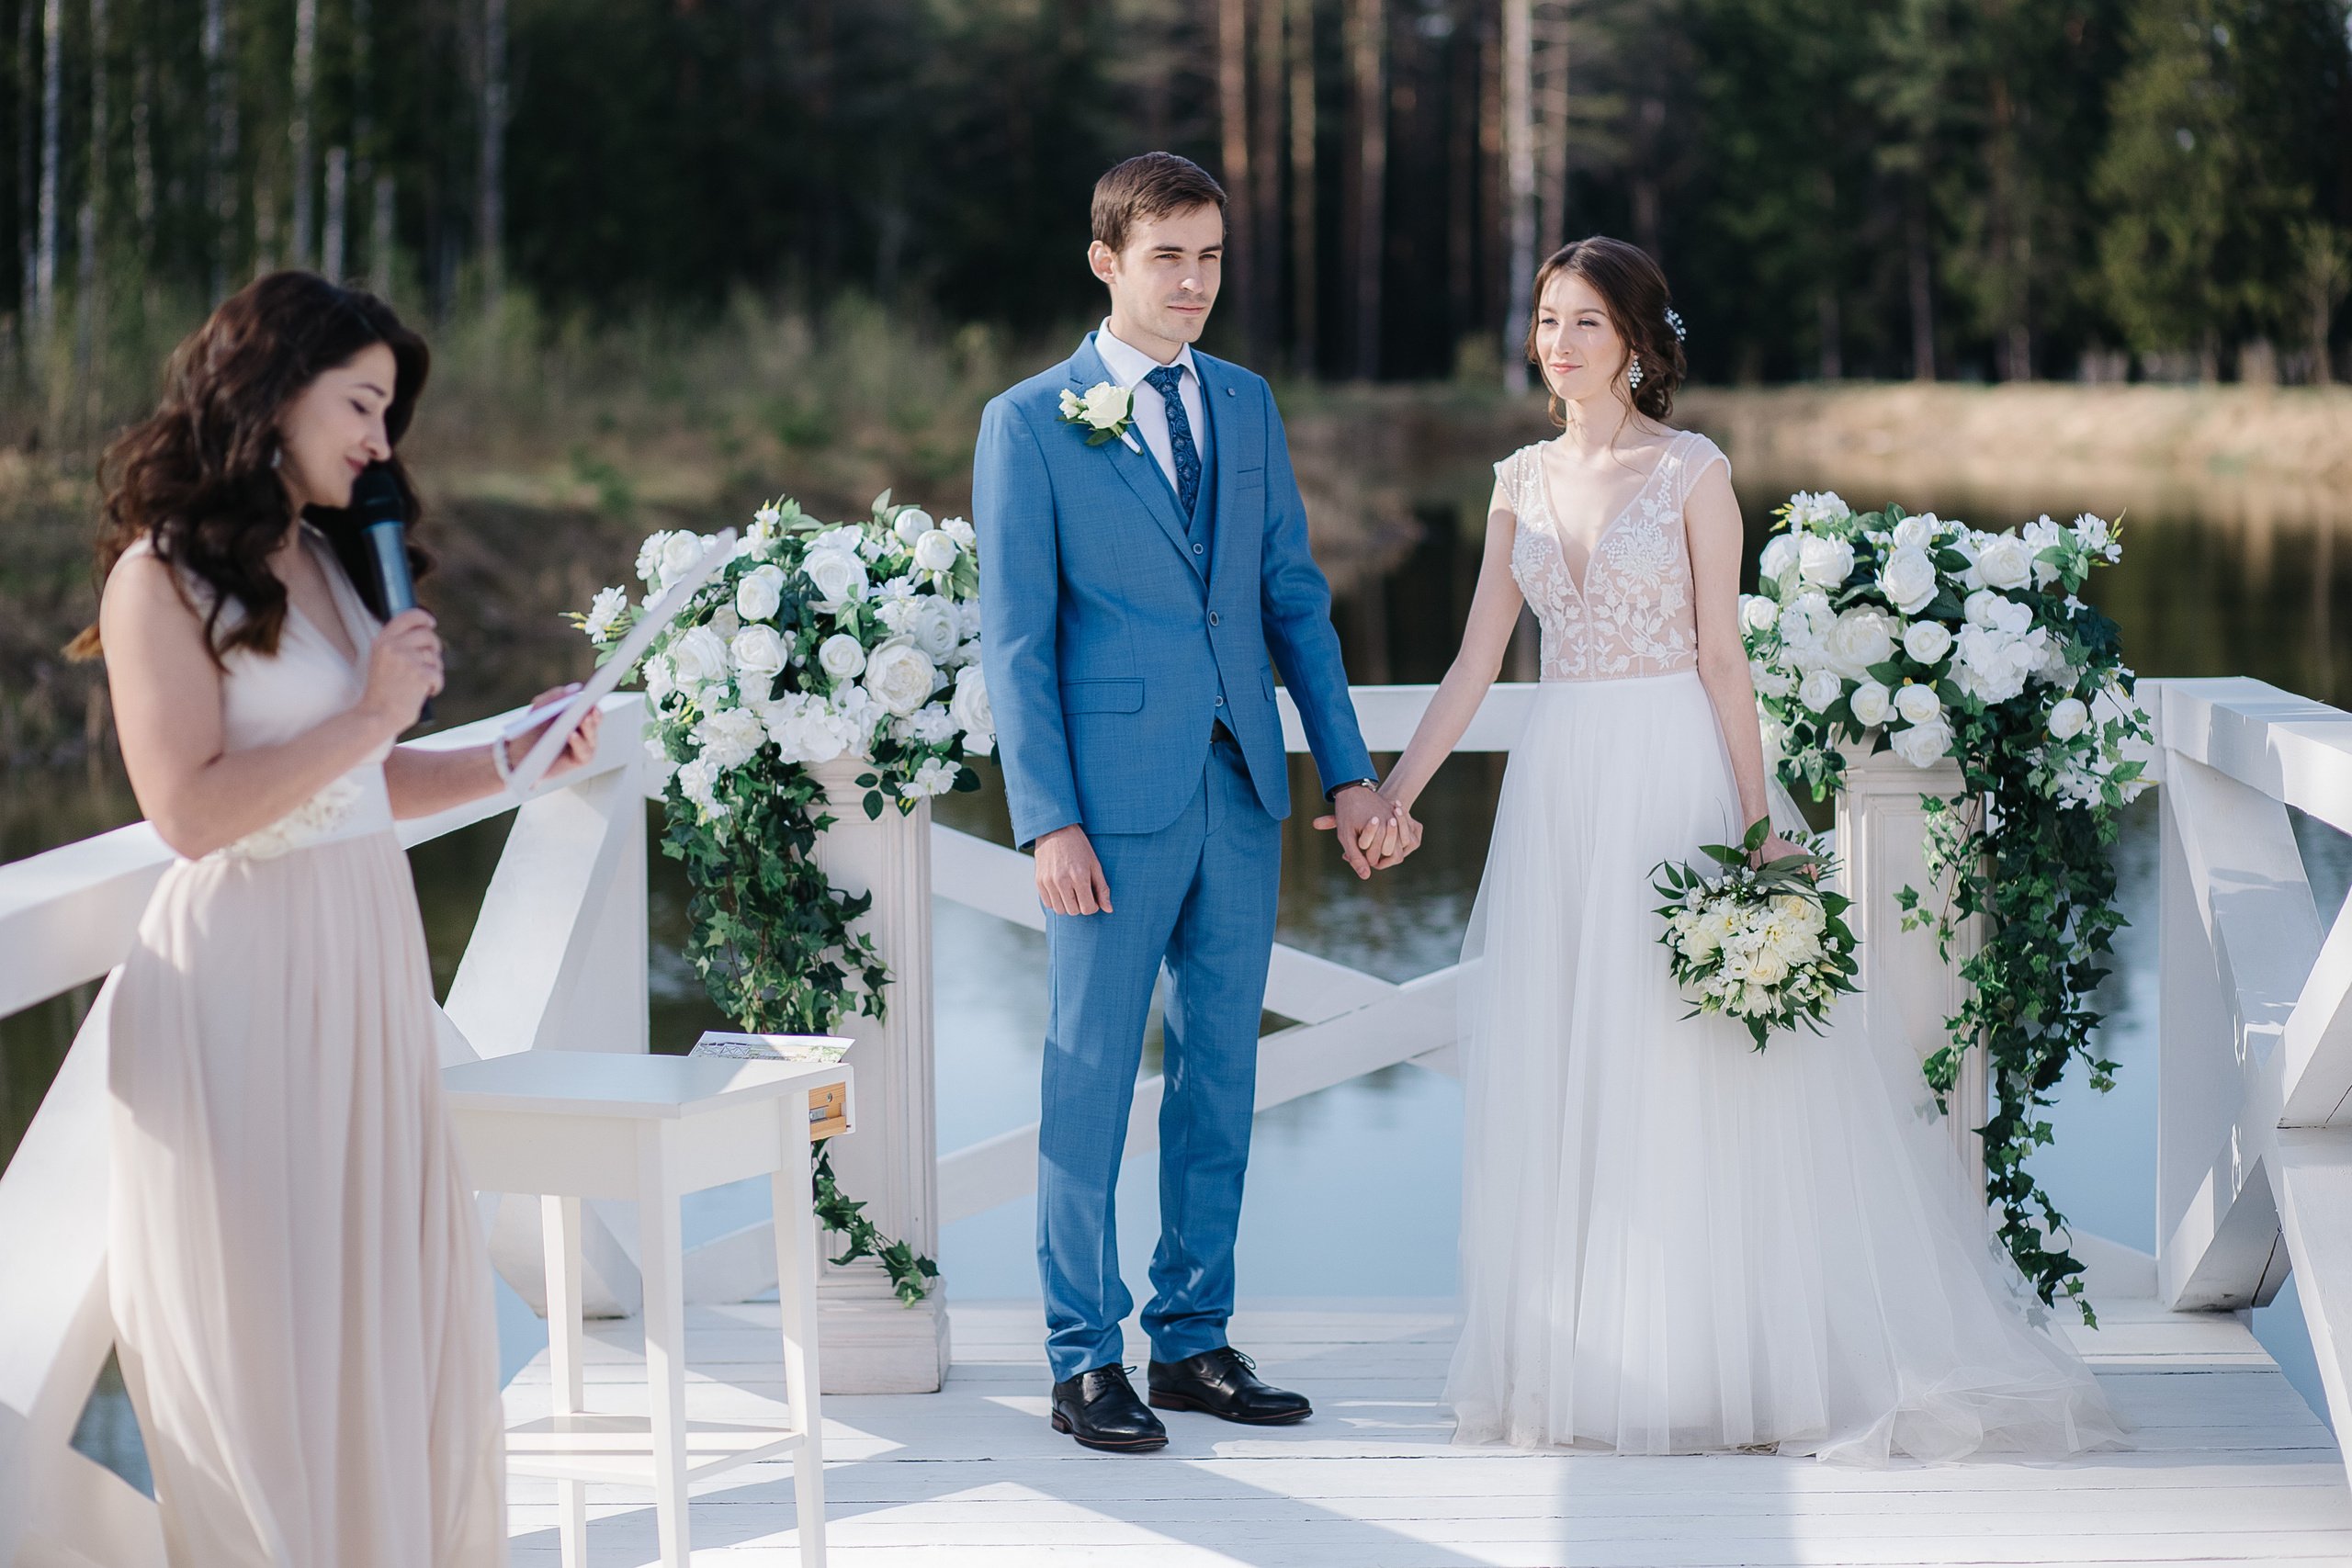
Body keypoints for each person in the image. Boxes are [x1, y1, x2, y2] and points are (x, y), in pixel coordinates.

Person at [1374, 238, 2126, 1462]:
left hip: (1671, 770)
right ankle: (1586, 1361)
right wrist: (1396, 793)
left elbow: (1725, 659)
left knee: (1689, 1062)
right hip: (1560, 783)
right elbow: (1474, 663)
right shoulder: (1516, 478)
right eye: (1548, 321)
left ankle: (1726, 1365)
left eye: (1587, 324)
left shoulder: (1693, 472)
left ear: (1637, 344)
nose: (1559, 344)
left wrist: (1763, 822)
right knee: (1574, 1055)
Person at [74, 271, 602, 1562]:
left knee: (386, 1324)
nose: (381, 441)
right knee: (270, 1347)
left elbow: (367, 788)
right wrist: (370, 712)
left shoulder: (321, 556)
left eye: (388, 413)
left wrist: (521, 759)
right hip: (244, 985)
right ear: (270, 391)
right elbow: (190, 815)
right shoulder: (159, 580)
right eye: (361, 403)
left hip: (364, 970)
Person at [974, 152, 1403, 1453]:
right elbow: (1016, 642)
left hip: (1235, 795)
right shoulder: (1030, 423)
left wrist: (1346, 768)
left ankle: (1194, 1341)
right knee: (1090, 1080)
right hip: (1104, 809)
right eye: (1170, 256)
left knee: (1221, 1078)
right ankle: (1078, 1358)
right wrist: (1046, 817)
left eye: (1212, 256)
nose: (1196, 281)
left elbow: (1291, 604)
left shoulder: (1248, 405)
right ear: (1106, 262)